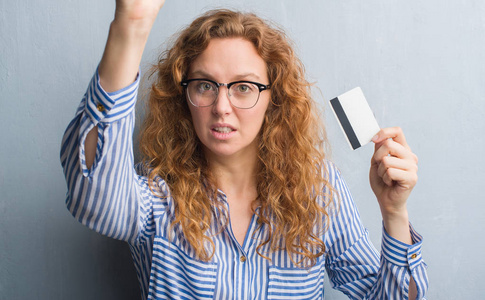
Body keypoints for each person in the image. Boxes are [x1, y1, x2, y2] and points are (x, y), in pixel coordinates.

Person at [60, 1, 428, 299]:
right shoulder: (157, 193)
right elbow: (92, 196)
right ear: (183, 96)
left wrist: (394, 212)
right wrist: (130, 29)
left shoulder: (318, 189)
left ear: (274, 99)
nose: (222, 106)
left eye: (243, 87)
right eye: (205, 85)